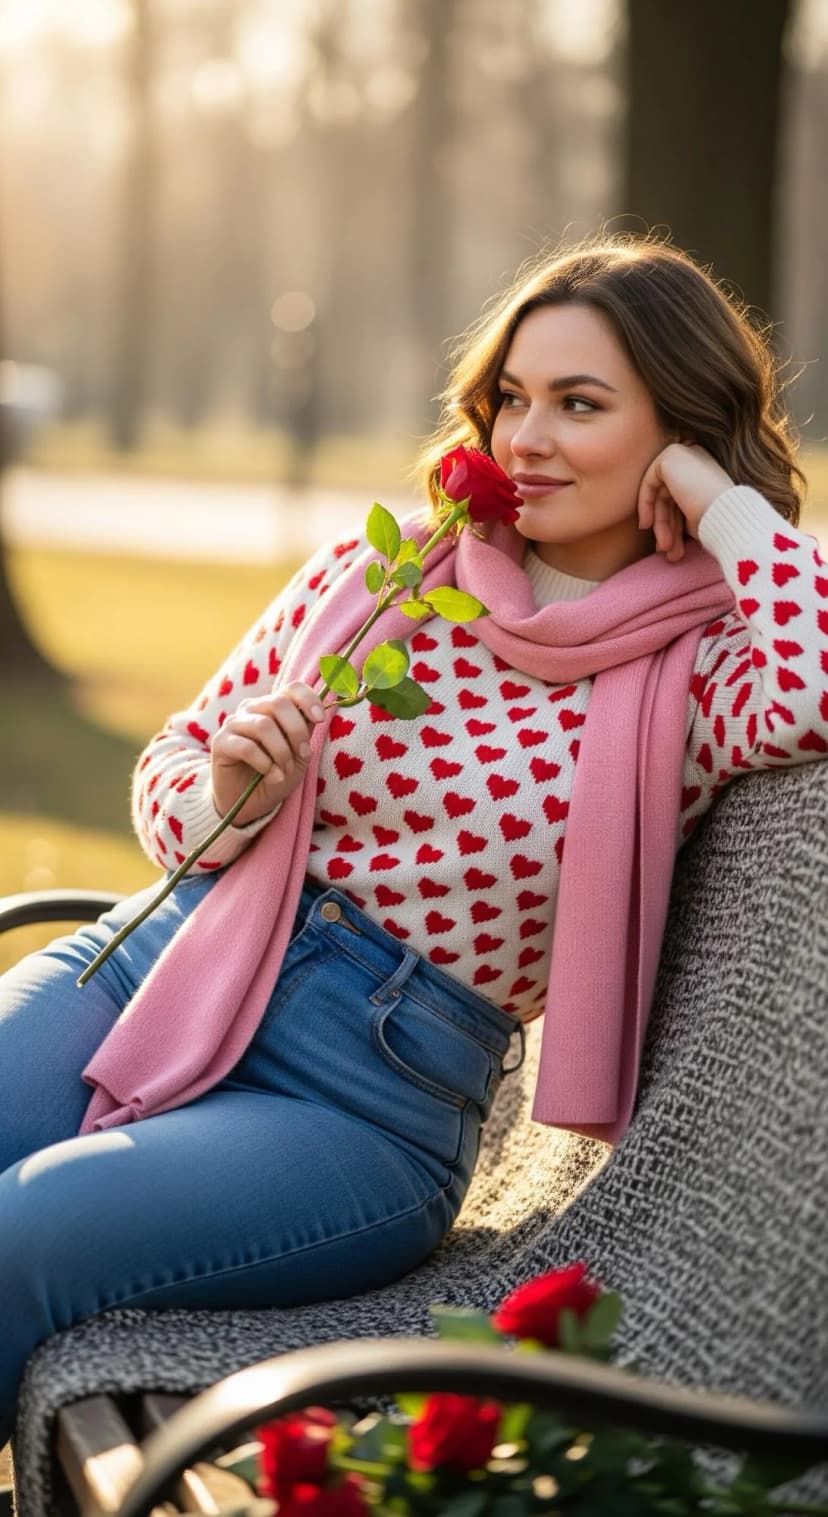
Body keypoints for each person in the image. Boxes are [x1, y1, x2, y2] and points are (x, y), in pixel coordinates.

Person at [0, 232, 826, 1447]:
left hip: (354, 1102)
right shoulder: (388, 578)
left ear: (683, 427)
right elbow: (171, 778)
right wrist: (233, 786)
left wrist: (721, 502)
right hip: (151, 967)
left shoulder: (699, 677)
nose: (523, 439)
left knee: (23, 1237)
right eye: (510, 399)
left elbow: (817, 686)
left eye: (579, 404)